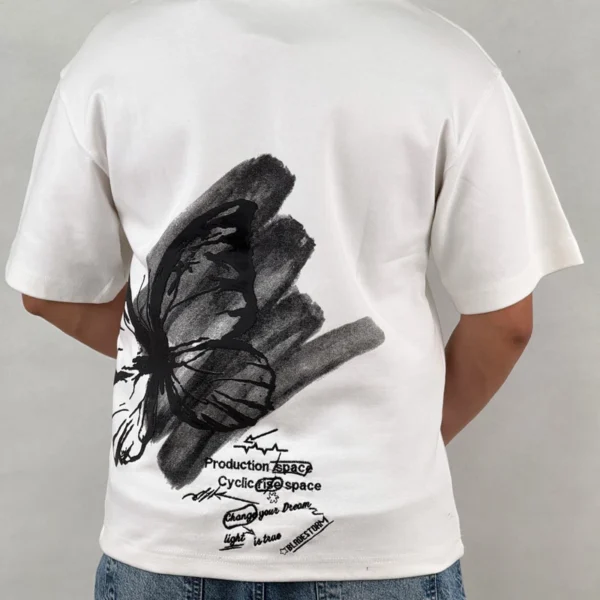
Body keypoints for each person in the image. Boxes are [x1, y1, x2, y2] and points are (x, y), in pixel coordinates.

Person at [5, 0, 584, 598]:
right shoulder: (450, 64)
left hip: (165, 539)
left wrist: (190, 363)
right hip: (379, 537)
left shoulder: (114, 57)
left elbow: (53, 295)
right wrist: (410, 444)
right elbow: (506, 324)